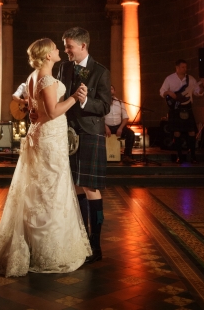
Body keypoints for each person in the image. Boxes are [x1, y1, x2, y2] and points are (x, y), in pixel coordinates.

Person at [0, 38, 91, 277]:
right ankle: (47, 251)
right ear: (48, 55)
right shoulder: (46, 79)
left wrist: (34, 111)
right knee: (50, 192)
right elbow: (52, 112)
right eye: (55, 48)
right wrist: (74, 97)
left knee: (38, 191)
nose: (59, 51)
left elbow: (35, 110)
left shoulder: (32, 77)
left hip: (43, 136)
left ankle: (32, 244)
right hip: (49, 138)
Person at [58, 27, 111, 264]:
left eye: (69, 46)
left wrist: (86, 100)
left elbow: (105, 107)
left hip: (90, 133)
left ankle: (95, 244)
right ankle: (79, 238)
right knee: (75, 187)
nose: (65, 50)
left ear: (83, 46)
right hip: (67, 133)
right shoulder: (64, 67)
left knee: (90, 187)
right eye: (65, 46)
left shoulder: (100, 71)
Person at [160, 59, 204, 164]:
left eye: (186, 67)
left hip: (187, 107)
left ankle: (193, 155)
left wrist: (202, 87)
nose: (185, 69)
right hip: (175, 108)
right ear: (177, 67)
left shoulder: (191, 79)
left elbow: (198, 92)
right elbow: (162, 92)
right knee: (177, 132)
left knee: (192, 132)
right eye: (182, 67)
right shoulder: (169, 78)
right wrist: (168, 93)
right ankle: (179, 156)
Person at [105, 85, 135, 160]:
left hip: (118, 127)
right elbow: (99, 117)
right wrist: (105, 127)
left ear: (114, 91)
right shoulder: (103, 102)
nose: (110, 90)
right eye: (108, 89)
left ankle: (127, 156)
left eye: (111, 89)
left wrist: (121, 128)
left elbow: (125, 117)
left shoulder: (120, 102)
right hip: (106, 127)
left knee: (130, 134)